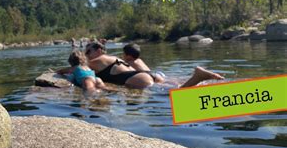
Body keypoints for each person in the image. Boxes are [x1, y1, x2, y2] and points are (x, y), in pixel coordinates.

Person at [85, 42, 224, 89]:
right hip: (149, 75)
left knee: (172, 94)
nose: (86, 54)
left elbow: (78, 66)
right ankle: (199, 81)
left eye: (88, 51)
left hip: (139, 78)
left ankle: (197, 77)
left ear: (98, 50)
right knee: (171, 86)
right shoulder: (112, 58)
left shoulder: (96, 61)